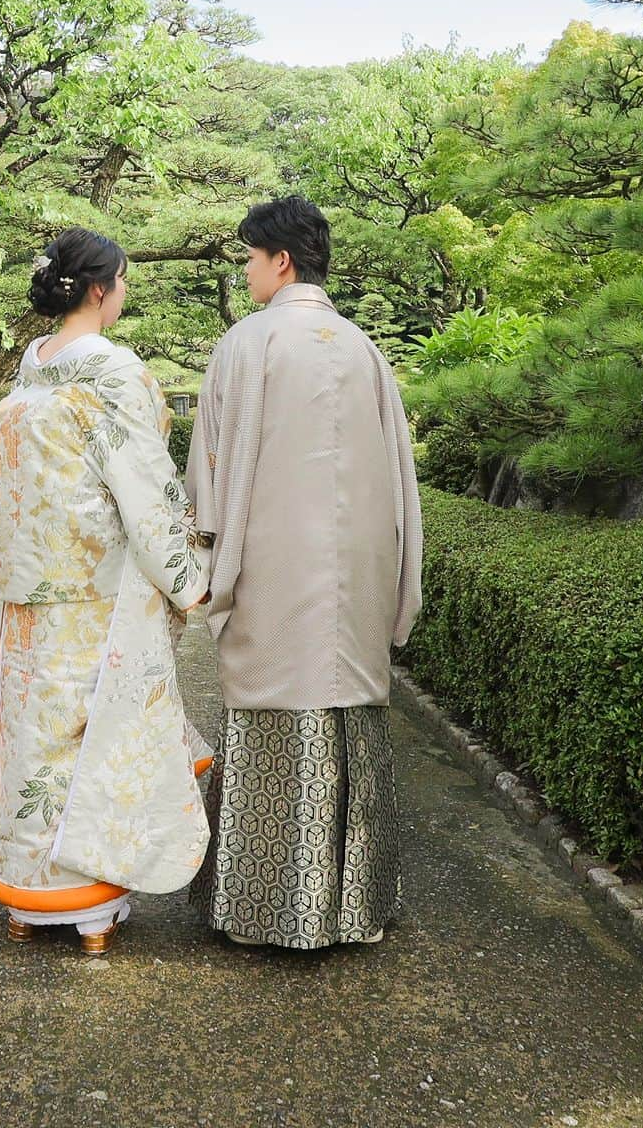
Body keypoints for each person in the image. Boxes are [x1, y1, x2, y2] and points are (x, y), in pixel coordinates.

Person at [185, 194, 423, 950]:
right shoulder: (363, 349)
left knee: (275, 710)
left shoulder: (247, 344)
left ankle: (260, 909)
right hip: (357, 574)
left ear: (279, 260)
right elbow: (398, 478)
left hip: (272, 567)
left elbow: (211, 469)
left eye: (249, 258)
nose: (247, 272)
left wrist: (200, 557)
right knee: (349, 708)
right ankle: (353, 908)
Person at [0, 226, 213, 956]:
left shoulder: (29, 373)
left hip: (28, 597)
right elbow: (143, 488)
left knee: (32, 741)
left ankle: (25, 895)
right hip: (94, 597)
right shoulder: (116, 373)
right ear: (101, 289)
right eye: (125, 282)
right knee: (92, 741)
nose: (126, 294)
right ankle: (87, 903)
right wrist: (186, 577)